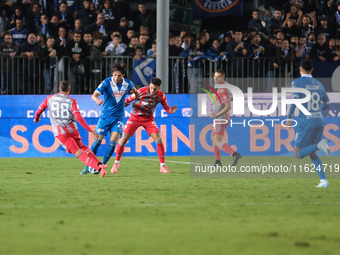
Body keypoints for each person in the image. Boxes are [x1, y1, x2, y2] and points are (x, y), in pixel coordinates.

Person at [34, 80, 107, 177]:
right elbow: (78, 117)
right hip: (72, 130)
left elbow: (39, 110)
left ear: (59, 89)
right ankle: (99, 164)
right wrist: (90, 130)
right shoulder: (72, 101)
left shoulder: (49, 98)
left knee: (78, 152)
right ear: (69, 90)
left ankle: (99, 169)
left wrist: (36, 118)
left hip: (62, 133)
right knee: (82, 146)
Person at [80, 63, 140, 174]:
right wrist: (97, 100)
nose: (116, 78)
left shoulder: (128, 84)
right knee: (97, 141)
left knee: (113, 143)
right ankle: (87, 166)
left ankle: (102, 166)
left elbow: (137, 95)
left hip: (118, 118)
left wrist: (131, 97)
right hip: (105, 117)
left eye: (119, 76)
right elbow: (94, 95)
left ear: (123, 75)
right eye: (115, 75)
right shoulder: (106, 82)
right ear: (112, 74)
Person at [111, 77, 178, 174]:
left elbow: (167, 108)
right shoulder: (141, 91)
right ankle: (116, 163)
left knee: (158, 139)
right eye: (151, 88)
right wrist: (123, 104)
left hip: (148, 119)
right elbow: (127, 100)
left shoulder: (161, 96)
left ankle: (162, 166)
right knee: (124, 140)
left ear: (159, 88)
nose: (152, 91)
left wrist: (170, 111)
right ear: (149, 85)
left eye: (155, 89)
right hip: (134, 118)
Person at [286, 59, 331, 188]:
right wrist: (316, 111)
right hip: (319, 121)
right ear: (312, 70)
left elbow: (295, 101)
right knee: (312, 152)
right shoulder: (319, 84)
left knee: (298, 153)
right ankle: (324, 180)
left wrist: (289, 117)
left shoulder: (297, 82)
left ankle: (319, 145)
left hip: (306, 122)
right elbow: (327, 104)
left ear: (300, 69)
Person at [210, 69, 242, 167]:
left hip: (221, 117)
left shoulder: (223, 88)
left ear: (223, 77)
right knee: (214, 138)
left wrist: (217, 114)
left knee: (217, 140)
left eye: (218, 77)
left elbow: (228, 106)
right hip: (223, 116)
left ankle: (234, 154)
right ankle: (217, 162)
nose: (216, 79)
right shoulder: (226, 85)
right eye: (215, 77)